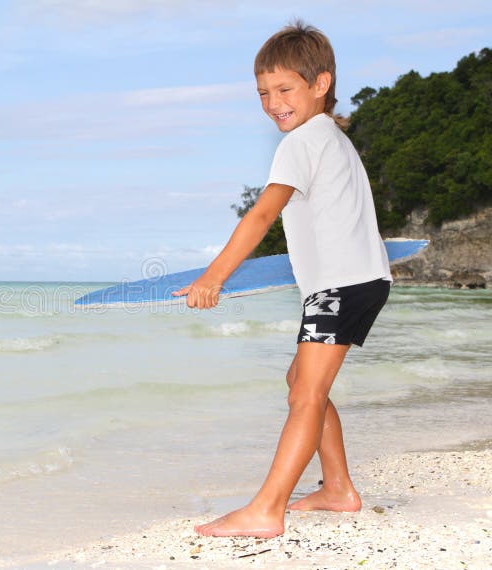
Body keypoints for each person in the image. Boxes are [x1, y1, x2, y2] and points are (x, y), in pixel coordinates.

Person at [172, 21, 392, 538]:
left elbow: (260, 215)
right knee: (302, 383)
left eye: (284, 89)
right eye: (263, 94)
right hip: (360, 281)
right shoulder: (332, 138)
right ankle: (337, 488)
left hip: (338, 287)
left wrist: (214, 276)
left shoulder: (300, 142)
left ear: (320, 83)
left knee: (305, 396)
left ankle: (266, 509)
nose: (273, 103)